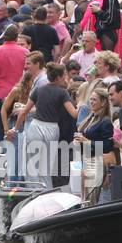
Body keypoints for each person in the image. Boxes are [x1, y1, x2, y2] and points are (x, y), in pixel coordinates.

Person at [15, 61, 76, 189]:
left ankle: (32, 191)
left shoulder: (39, 89)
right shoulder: (63, 92)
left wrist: (14, 129)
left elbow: (23, 112)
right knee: (46, 166)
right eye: (64, 76)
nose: (65, 79)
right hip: (51, 129)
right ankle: (46, 191)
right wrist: (82, 105)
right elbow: (74, 114)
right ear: (58, 77)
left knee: (32, 162)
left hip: (35, 127)